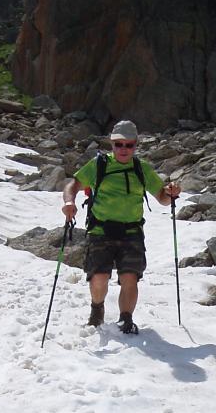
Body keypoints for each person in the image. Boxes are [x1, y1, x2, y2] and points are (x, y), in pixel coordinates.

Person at [61, 120, 181, 334]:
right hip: (100, 230)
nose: (124, 149)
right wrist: (69, 202)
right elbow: (73, 184)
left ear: (135, 145)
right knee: (98, 278)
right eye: (119, 144)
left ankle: (126, 319)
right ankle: (97, 309)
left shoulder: (141, 168)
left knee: (130, 277)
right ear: (112, 144)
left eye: (129, 145)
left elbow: (162, 197)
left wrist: (171, 194)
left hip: (132, 231)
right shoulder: (100, 165)